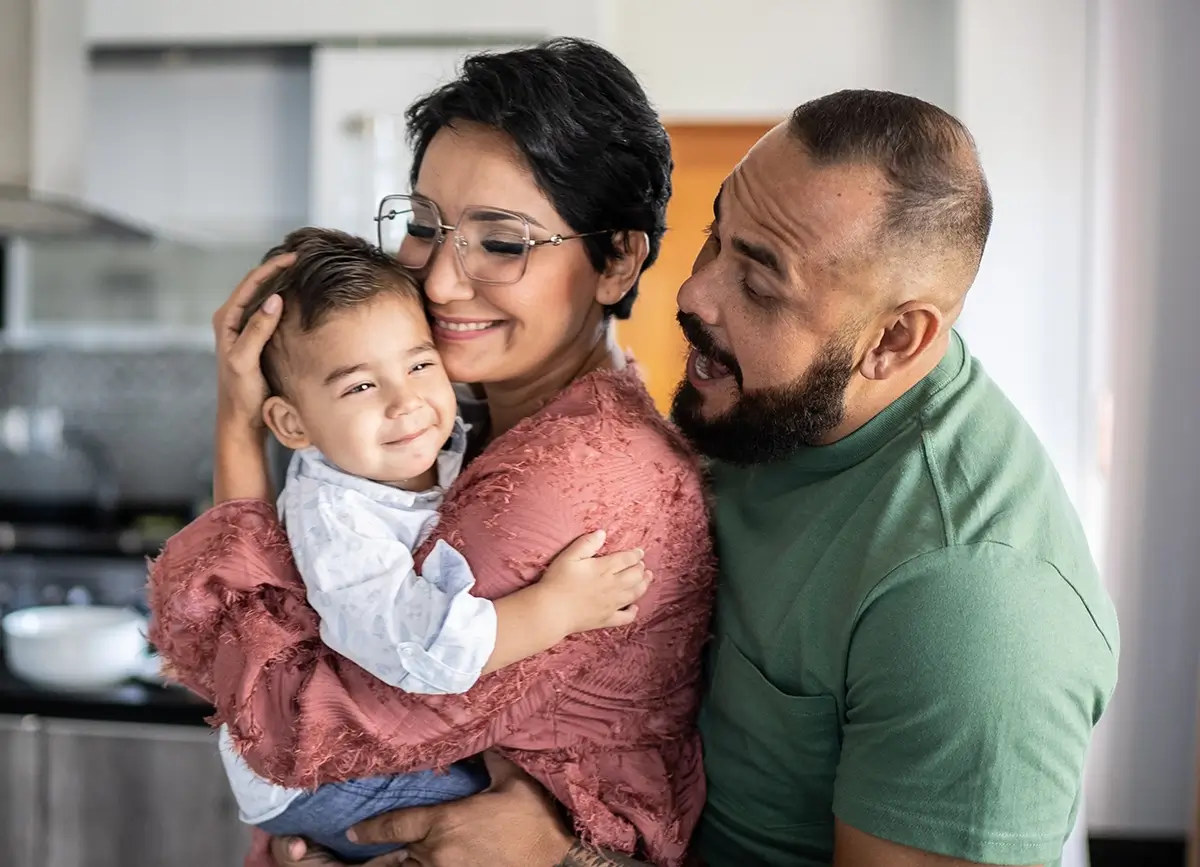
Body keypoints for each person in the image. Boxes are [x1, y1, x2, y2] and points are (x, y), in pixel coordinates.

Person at [310, 92, 1121, 867]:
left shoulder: (975, 601)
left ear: (895, 340)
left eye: (760, 282)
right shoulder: (766, 408)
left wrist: (561, 857)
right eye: (715, 237)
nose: (694, 292)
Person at [146, 39, 715, 867]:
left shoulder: (563, 480)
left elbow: (293, 722)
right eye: (423, 226)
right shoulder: (466, 421)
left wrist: (237, 431)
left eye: (502, 241)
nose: (440, 281)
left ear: (617, 257)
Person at [199, 227, 653, 862]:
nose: (406, 402)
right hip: (318, 781)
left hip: (316, 767)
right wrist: (558, 609)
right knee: (492, 814)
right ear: (292, 424)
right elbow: (417, 649)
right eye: (360, 386)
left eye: (419, 363)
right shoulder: (338, 520)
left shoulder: (407, 446)